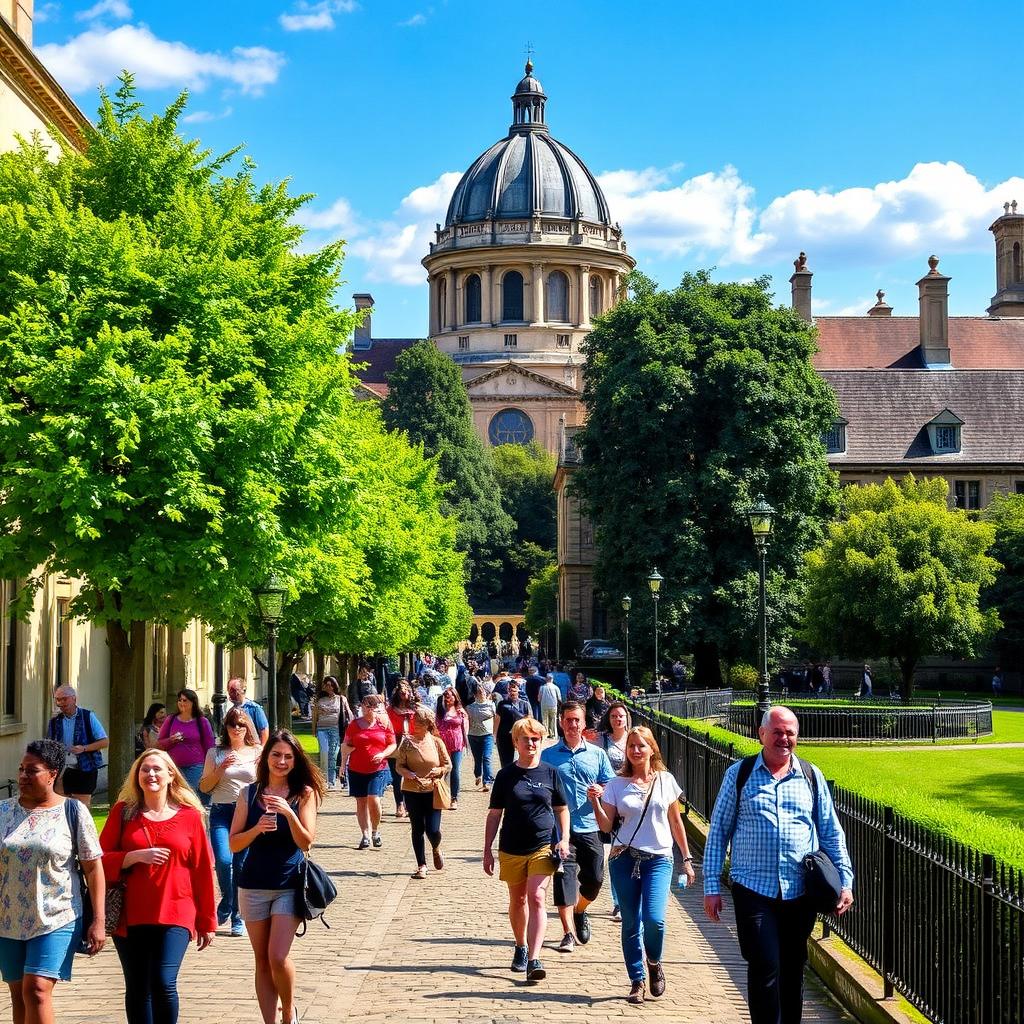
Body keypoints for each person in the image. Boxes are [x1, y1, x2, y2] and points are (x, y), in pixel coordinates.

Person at [703, 706, 854, 1024]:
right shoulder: (740, 774)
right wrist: (711, 886)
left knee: (792, 968)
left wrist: (845, 881)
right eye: (777, 732)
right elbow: (718, 832)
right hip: (753, 889)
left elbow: (831, 832)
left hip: (799, 892)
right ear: (761, 734)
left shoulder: (810, 776)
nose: (784, 738)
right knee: (764, 964)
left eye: (790, 733)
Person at [100, 748, 217, 1024]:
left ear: (171, 775)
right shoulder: (123, 813)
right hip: (131, 913)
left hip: (176, 911)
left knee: (164, 981)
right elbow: (98, 860)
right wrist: (132, 857)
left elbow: (202, 870)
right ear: (136, 776)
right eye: (144, 769)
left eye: (157, 769)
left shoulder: (190, 816)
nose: (150, 774)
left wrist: (207, 921)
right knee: (138, 986)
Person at [0, 740, 106, 1024]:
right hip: (8, 919)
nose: (23, 776)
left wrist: (99, 920)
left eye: (32, 770)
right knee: (19, 994)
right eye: (21, 769)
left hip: (57, 916)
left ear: (52, 774)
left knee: (36, 990)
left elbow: (93, 868)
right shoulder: (3, 811)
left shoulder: (73, 811)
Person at [590, 727, 696, 1004]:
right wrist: (595, 803)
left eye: (641, 745)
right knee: (630, 922)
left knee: (654, 920)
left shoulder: (666, 780)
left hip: (659, 858)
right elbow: (606, 826)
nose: (636, 751)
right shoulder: (616, 784)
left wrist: (687, 859)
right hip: (624, 858)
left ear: (652, 749)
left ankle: (654, 961)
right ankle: (636, 980)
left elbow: (676, 822)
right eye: (631, 746)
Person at [231, 731, 325, 1024]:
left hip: (288, 885)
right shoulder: (249, 793)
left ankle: (288, 1010)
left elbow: (306, 842)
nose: (281, 761)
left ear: (295, 761)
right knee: (261, 961)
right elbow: (234, 844)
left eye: (288, 756)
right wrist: (256, 829)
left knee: (277, 956)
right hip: (253, 886)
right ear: (266, 757)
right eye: (276, 755)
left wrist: (289, 814)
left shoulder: (304, 794)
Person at [483, 717, 570, 984]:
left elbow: (561, 809)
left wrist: (564, 838)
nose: (531, 743)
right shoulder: (505, 776)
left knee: (536, 897)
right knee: (518, 900)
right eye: (526, 739)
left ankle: (534, 959)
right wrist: (487, 850)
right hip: (511, 846)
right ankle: (520, 945)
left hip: (542, 845)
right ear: (515, 742)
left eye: (535, 739)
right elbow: (494, 814)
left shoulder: (550, 773)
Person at [541, 700, 615, 953]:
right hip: (560, 831)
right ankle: (568, 933)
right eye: (568, 720)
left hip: (591, 825)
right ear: (561, 723)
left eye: (577, 720)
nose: (572, 724)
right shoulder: (548, 756)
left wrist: (601, 790)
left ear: (584, 724)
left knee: (595, 879)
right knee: (564, 879)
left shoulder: (597, 754)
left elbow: (610, 784)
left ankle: (580, 909)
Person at [200, 706, 260, 938]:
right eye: (232, 724)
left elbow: (263, 784)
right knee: (224, 861)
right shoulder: (215, 753)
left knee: (241, 865)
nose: (237, 729)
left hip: (246, 814)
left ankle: (236, 915)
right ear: (225, 728)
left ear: (248, 728)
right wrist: (220, 768)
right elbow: (204, 787)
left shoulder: (257, 752)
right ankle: (227, 901)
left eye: (241, 724)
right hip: (221, 812)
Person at [395, 707, 452, 879]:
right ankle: (421, 865)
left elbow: (448, 764)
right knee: (417, 828)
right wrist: (406, 773)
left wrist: (439, 770)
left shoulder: (436, 742)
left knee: (432, 830)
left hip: (432, 790)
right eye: (415, 722)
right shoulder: (406, 743)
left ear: (428, 724)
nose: (416, 725)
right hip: (412, 790)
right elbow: (399, 766)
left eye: (420, 723)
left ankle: (436, 847)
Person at [340, 694, 396, 850]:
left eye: (370, 706)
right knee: (361, 802)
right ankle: (365, 835)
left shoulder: (384, 723)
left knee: (373, 798)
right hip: (356, 768)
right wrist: (342, 765)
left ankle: (375, 831)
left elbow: (392, 744)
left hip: (378, 768)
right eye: (364, 706)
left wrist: (383, 754)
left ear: (376, 708)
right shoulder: (354, 724)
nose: (366, 709)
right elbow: (345, 745)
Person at [597, 700, 632, 922]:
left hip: (634, 800)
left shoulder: (635, 739)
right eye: (613, 716)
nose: (618, 719)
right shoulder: (602, 740)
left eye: (621, 716)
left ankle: (632, 898)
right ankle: (618, 902)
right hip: (611, 801)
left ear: (627, 718)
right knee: (616, 852)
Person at [46, 686, 109, 808]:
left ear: (74, 699)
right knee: (60, 808)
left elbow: (105, 742)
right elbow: (49, 746)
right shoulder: (55, 721)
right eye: (58, 700)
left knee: (81, 808)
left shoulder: (87, 716)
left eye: (64, 699)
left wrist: (84, 748)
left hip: (85, 769)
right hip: (62, 770)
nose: (61, 703)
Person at [157, 688, 216, 800]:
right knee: (174, 798)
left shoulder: (202, 721)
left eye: (185, 700)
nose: (181, 703)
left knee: (191, 797)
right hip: (173, 766)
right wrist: (171, 740)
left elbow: (210, 746)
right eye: (180, 700)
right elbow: (160, 743)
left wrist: (210, 768)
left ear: (193, 703)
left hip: (195, 767)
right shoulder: (171, 719)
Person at [311, 677, 349, 792]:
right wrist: (314, 730)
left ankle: (331, 781)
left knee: (333, 755)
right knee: (324, 752)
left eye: (331, 685)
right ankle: (324, 780)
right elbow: (315, 716)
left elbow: (348, 713)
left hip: (335, 729)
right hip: (322, 729)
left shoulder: (341, 699)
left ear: (335, 686)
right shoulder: (319, 700)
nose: (328, 687)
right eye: (326, 685)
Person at [386, 681, 417, 819]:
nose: (404, 693)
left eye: (406, 691)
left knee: (411, 775)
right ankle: (399, 804)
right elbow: (386, 727)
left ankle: (410, 805)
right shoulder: (390, 710)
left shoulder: (415, 709)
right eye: (401, 691)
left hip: (412, 744)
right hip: (395, 743)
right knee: (397, 776)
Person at [436, 688, 469, 809]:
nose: (448, 698)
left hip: (456, 743)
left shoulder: (460, 711)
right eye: (446, 696)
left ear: (455, 697)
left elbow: (465, 728)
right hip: (443, 744)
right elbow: (436, 725)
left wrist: (465, 743)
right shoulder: (440, 711)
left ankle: (454, 797)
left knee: (455, 769)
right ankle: (441, 795)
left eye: (450, 696)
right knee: (443, 769)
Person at [494, 681, 531, 769]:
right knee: (505, 761)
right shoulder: (502, 704)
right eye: (510, 690)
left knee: (523, 758)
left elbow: (529, 720)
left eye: (514, 691)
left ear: (518, 691)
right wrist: (494, 734)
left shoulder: (525, 704)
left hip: (520, 735)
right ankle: (506, 775)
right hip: (504, 735)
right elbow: (497, 720)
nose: (512, 693)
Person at [466, 684, 497, 792]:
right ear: (475, 694)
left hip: (487, 735)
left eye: (483, 691)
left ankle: (487, 782)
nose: (482, 693)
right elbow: (467, 721)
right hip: (473, 735)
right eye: (479, 692)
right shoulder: (470, 707)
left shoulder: (491, 705)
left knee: (486, 758)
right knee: (477, 758)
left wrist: (495, 733)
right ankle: (478, 774)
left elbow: (496, 719)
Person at [227, 677, 270, 746]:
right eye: (229, 691)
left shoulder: (254, 708)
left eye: (234, 691)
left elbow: (264, 730)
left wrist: (262, 749)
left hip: (253, 748)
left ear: (243, 690)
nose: (231, 694)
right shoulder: (231, 710)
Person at [539, 674, 561, 739]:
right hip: (553, 706)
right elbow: (559, 698)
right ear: (552, 679)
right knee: (553, 720)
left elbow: (539, 699)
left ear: (546, 679)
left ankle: (545, 735)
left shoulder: (542, 687)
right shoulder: (556, 687)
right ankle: (553, 735)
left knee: (544, 720)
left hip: (544, 705)